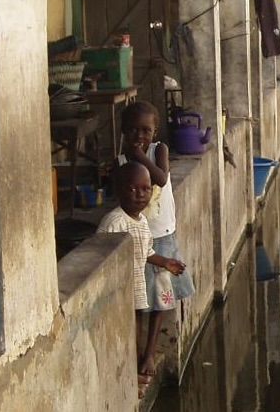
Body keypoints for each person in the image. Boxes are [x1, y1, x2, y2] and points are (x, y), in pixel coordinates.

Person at [116, 100, 195, 380]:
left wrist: (140, 156)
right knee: (141, 298)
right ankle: (138, 351)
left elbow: (160, 178)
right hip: (138, 236)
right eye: (134, 130)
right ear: (124, 131)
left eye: (146, 130)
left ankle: (149, 351)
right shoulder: (121, 159)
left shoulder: (157, 149)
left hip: (161, 234)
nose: (140, 136)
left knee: (161, 296)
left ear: (155, 131)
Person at [96, 161, 186, 393]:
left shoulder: (142, 221)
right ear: (118, 191)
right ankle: (136, 374)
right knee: (131, 331)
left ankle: (139, 372)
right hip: (121, 291)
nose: (140, 195)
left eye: (146, 189)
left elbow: (147, 252)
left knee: (137, 325)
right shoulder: (115, 222)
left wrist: (166, 262)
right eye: (132, 189)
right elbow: (100, 256)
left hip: (136, 289)